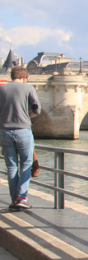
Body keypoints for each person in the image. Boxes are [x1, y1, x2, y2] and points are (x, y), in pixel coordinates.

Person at [0, 66, 41, 210]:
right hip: (23, 130)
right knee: (26, 164)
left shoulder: (2, 89)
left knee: (11, 166)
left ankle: (14, 199)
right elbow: (37, 108)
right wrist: (27, 116)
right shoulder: (28, 88)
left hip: (4, 131)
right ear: (25, 77)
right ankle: (21, 197)